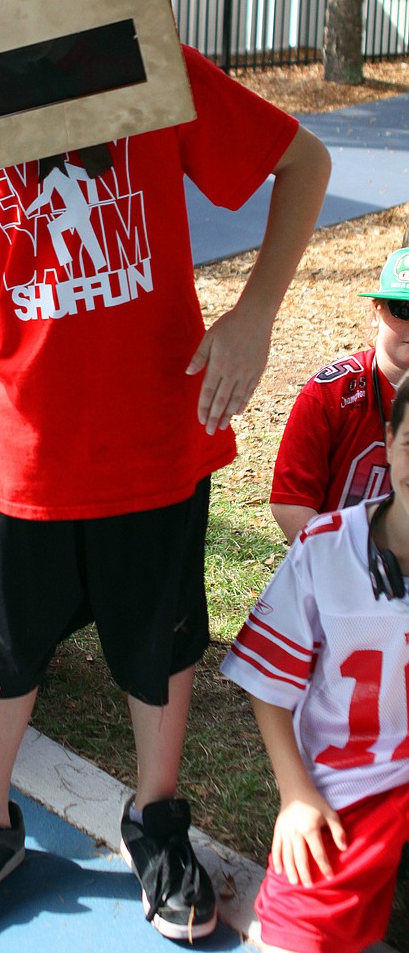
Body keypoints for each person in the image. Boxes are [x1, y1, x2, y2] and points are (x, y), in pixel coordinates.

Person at [0, 44, 331, 942]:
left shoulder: (148, 63)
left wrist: (259, 309)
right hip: (27, 450)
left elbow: (305, 161)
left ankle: (156, 820)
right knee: (3, 648)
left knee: (158, 641)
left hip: (154, 441)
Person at [222, 368, 409, 953]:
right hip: (361, 780)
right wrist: (297, 794)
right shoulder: (327, 549)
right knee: (296, 937)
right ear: (388, 439)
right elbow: (270, 684)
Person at [271, 247, 409, 543]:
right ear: (376, 311)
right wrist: (339, 565)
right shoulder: (329, 393)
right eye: (404, 310)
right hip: (339, 563)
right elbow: (291, 502)